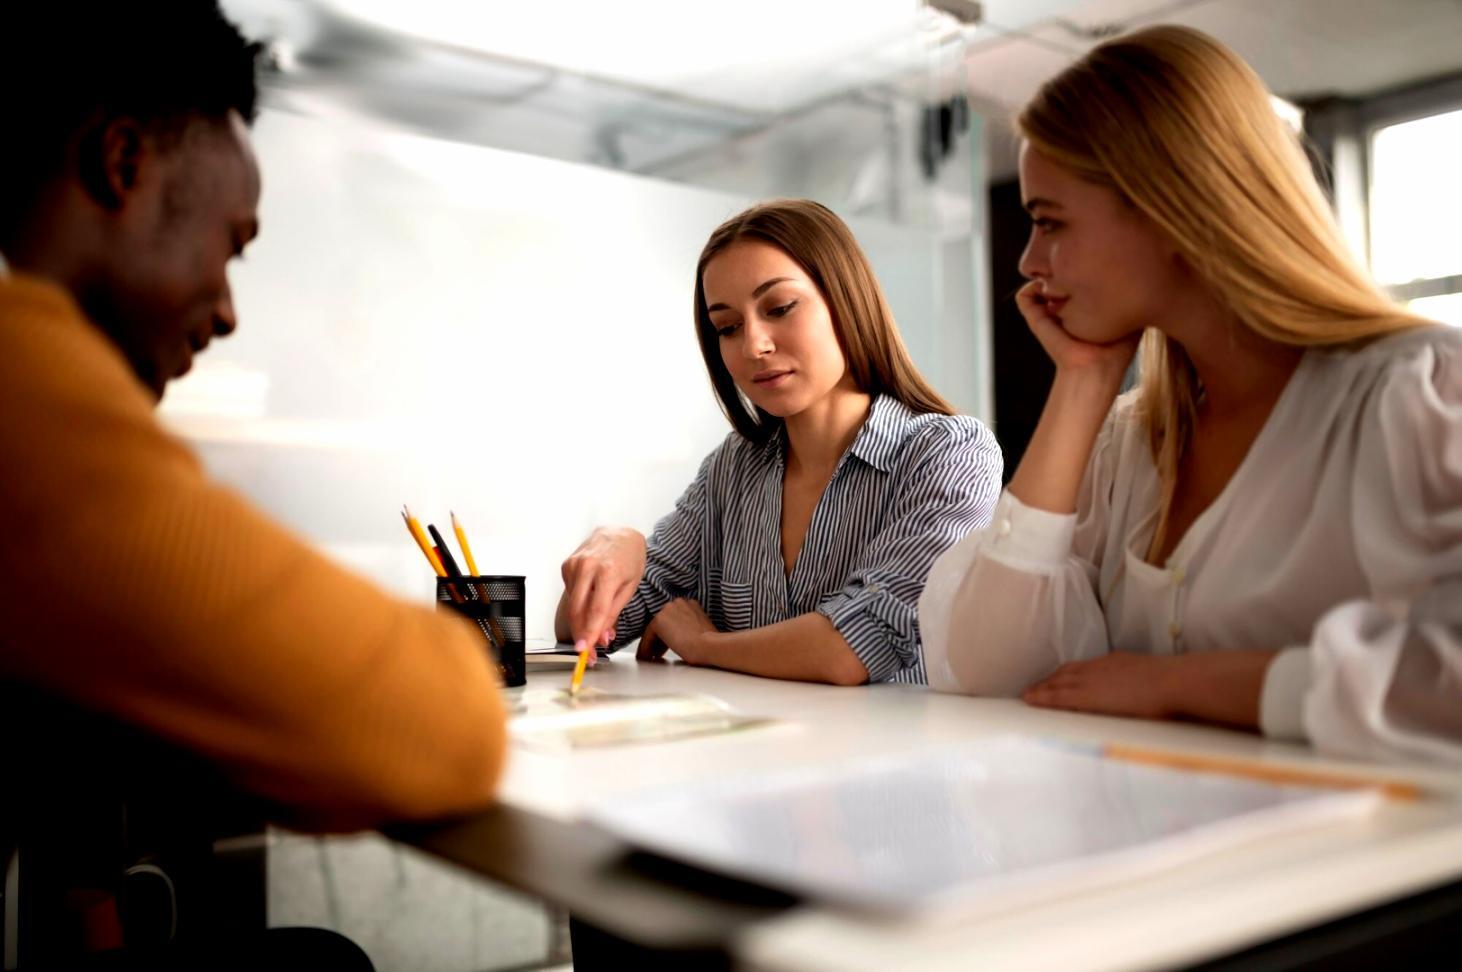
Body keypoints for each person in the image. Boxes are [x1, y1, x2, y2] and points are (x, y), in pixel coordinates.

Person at [0, 2, 508, 962]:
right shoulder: (23, 386)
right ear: (123, 165)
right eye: (231, 246)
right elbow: (444, 726)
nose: (231, 312)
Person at [918, 25, 1462, 763]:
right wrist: (1080, 384)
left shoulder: (1415, 391)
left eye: (1049, 222)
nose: (1027, 260)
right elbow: (993, 667)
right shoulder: (1127, 439)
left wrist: (1186, 684)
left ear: (1172, 209)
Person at [557, 200, 1002, 685]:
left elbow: (854, 648)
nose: (754, 346)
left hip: (893, 758)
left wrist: (705, 646)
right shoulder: (732, 468)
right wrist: (619, 548)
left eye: (780, 308)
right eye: (727, 327)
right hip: (755, 756)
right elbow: (590, 633)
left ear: (846, 299)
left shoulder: (950, 453)